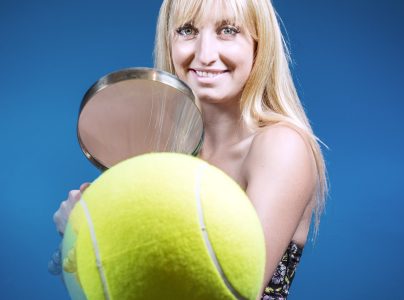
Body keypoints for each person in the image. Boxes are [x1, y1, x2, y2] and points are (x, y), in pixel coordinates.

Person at [53, 0, 328, 299]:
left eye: (228, 30)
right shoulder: (167, 159)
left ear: (258, 44)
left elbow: (226, 292)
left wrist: (105, 236)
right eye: (187, 30)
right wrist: (83, 236)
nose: (205, 54)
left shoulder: (281, 146)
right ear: (168, 41)